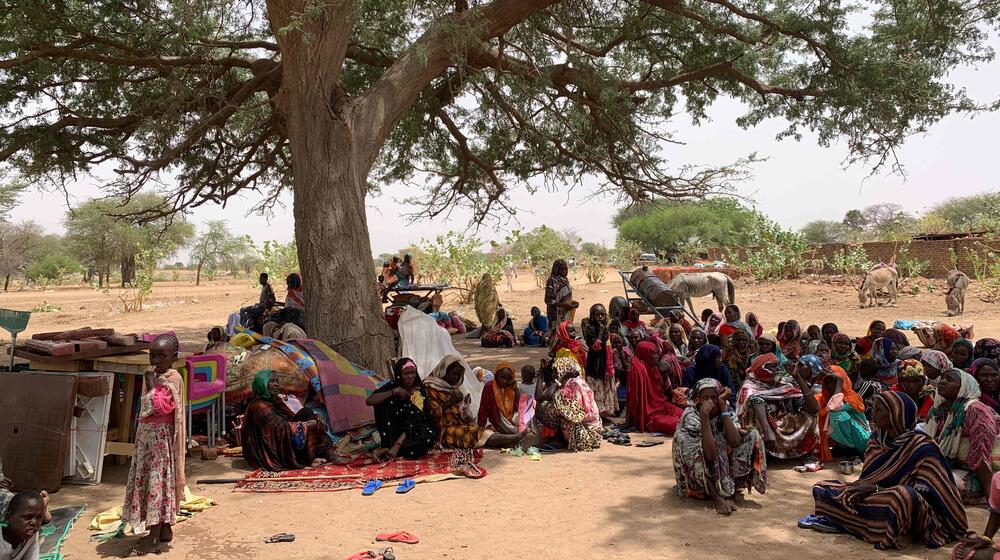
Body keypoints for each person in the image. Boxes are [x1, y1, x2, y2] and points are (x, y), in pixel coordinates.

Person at [808, 391, 967, 550]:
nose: (874, 414)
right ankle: (879, 526)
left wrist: (877, 489)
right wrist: (857, 490)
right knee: (822, 488)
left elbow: (929, 494)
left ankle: (895, 529)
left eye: (879, 410)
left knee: (902, 496)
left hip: (909, 507)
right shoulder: (876, 440)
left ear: (895, 414)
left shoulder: (924, 447)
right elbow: (868, 479)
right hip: (879, 499)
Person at [121, 334, 186, 557]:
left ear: (174, 357)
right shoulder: (154, 374)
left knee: (157, 484)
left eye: (162, 356)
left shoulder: (173, 377)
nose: (156, 360)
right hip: (146, 439)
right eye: (153, 356)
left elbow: (161, 407)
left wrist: (151, 384)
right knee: (149, 480)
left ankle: (153, 536)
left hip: (160, 442)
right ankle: (164, 528)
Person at [672, 378, 767, 515]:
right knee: (698, 444)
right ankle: (717, 496)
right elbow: (709, 454)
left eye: (714, 397)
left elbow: (735, 442)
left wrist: (723, 408)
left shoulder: (724, 407)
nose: (710, 402)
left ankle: (729, 489)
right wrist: (704, 416)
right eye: (705, 398)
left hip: (720, 466)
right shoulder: (691, 416)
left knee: (752, 435)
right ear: (698, 399)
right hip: (698, 477)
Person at [925, 368, 1000, 503]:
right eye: (942, 378)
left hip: (983, 474)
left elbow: (981, 456)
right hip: (953, 466)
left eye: (950, 379)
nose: (942, 381)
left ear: (964, 387)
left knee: (936, 483)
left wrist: (992, 499)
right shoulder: (938, 411)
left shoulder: (976, 411)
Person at [242, 370, 341, 471]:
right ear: (261, 384)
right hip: (270, 449)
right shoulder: (260, 407)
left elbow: (290, 417)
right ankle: (307, 458)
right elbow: (279, 429)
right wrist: (305, 425)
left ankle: (315, 455)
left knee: (306, 412)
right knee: (304, 427)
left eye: (277, 381)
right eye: (272, 381)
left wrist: (314, 418)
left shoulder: (275, 401)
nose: (276, 384)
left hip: (281, 438)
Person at [423, 356, 525, 449]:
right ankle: (515, 437)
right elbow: (428, 416)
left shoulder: (452, 389)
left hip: (459, 426)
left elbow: (459, 415)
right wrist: (448, 404)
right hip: (443, 432)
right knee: (478, 433)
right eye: (454, 374)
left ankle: (510, 439)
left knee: (483, 431)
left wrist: (464, 406)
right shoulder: (429, 388)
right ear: (444, 371)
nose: (456, 378)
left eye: (458, 375)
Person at [736, 353, 819, 459]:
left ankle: (798, 452)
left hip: (781, 423)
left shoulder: (782, 383)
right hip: (762, 426)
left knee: (810, 415)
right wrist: (768, 431)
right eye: (773, 366)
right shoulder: (749, 387)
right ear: (762, 368)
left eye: (778, 365)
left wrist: (797, 377)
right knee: (756, 408)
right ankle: (764, 452)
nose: (778, 369)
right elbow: (755, 401)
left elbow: (814, 407)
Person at [366, 358, 437, 461]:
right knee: (384, 401)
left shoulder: (418, 391)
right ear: (399, 375)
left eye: (413, 373)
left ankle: (387, 449)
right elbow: (369, 401)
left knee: (429, 436)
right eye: (406, 374)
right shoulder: (393, 386)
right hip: (394, 430)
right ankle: (390, 446)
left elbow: (414, 419)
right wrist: (394, 392)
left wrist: (397, 445)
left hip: (412, 430)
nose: (410, 377)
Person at [534, 357, 603, 452]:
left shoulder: (573, 385)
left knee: (550, 406)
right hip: (585, 428)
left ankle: (559, 441)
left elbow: (547, 396)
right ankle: (558, 439)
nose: (554, 375)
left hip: (584, 433)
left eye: (556, 372)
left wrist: (561, 378)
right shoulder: (570, 382)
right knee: (547, 405)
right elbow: (539, 397)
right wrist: (542, 372)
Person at [811, 356, 871, 462]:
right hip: (847, 440)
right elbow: (810, 404)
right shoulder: (823, 397)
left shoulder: (853, 397)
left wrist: (839, 380)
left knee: (837, 415)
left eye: (834, 382)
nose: (830, 385)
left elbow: (835, 406)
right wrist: (815, 378)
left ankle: (852, 450)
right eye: (827, 382)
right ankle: (843, 448)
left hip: (862, 440)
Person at [627, 341, 684, 435]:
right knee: (675, 425)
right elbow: (632, 398)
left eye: (657, 353)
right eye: (654, 354)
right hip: (650, 413)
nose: (657, 356)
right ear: (646, 354)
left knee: (684, 415)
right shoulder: (638, 369)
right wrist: (629, 421)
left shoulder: (653, 366)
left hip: (661, 404)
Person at [581, 304, 617, 420]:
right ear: (592, 315)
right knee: (596, 388)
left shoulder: (605, 327)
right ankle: (595, 414)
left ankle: (603, 414)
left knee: (605, 388)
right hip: (594, 363)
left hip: (604, 361)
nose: (600, 317)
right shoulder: (589, 328)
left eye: (602, 314)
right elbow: (595, 346)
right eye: (597, 315)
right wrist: (600, 331)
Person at [477, 362, 522, 434]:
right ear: (496, 375)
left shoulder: (512, 388)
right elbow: (483, 408)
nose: (504, 381)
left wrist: (516, 389)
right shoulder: (490, 386)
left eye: (508, 378)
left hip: (511, 420)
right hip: (497, 421)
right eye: (501, 377)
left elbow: (519, 407)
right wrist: (481, 426)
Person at [1, 492, 43, 560]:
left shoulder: (32, 536)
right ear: (8, 517)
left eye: (39, 517)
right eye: (28, 517)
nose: (34, 522)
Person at [544, 259, 577, 341]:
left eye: (566, 269)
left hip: (566, 313)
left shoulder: (565, 279)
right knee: (556, 335)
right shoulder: (552, 280)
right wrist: (564, 305)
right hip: (555, 314)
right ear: (556, 269)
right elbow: (548, 300)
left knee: (566, 333)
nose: (564, 271)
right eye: (562, 269)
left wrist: (572, 303)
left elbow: (565, 296)